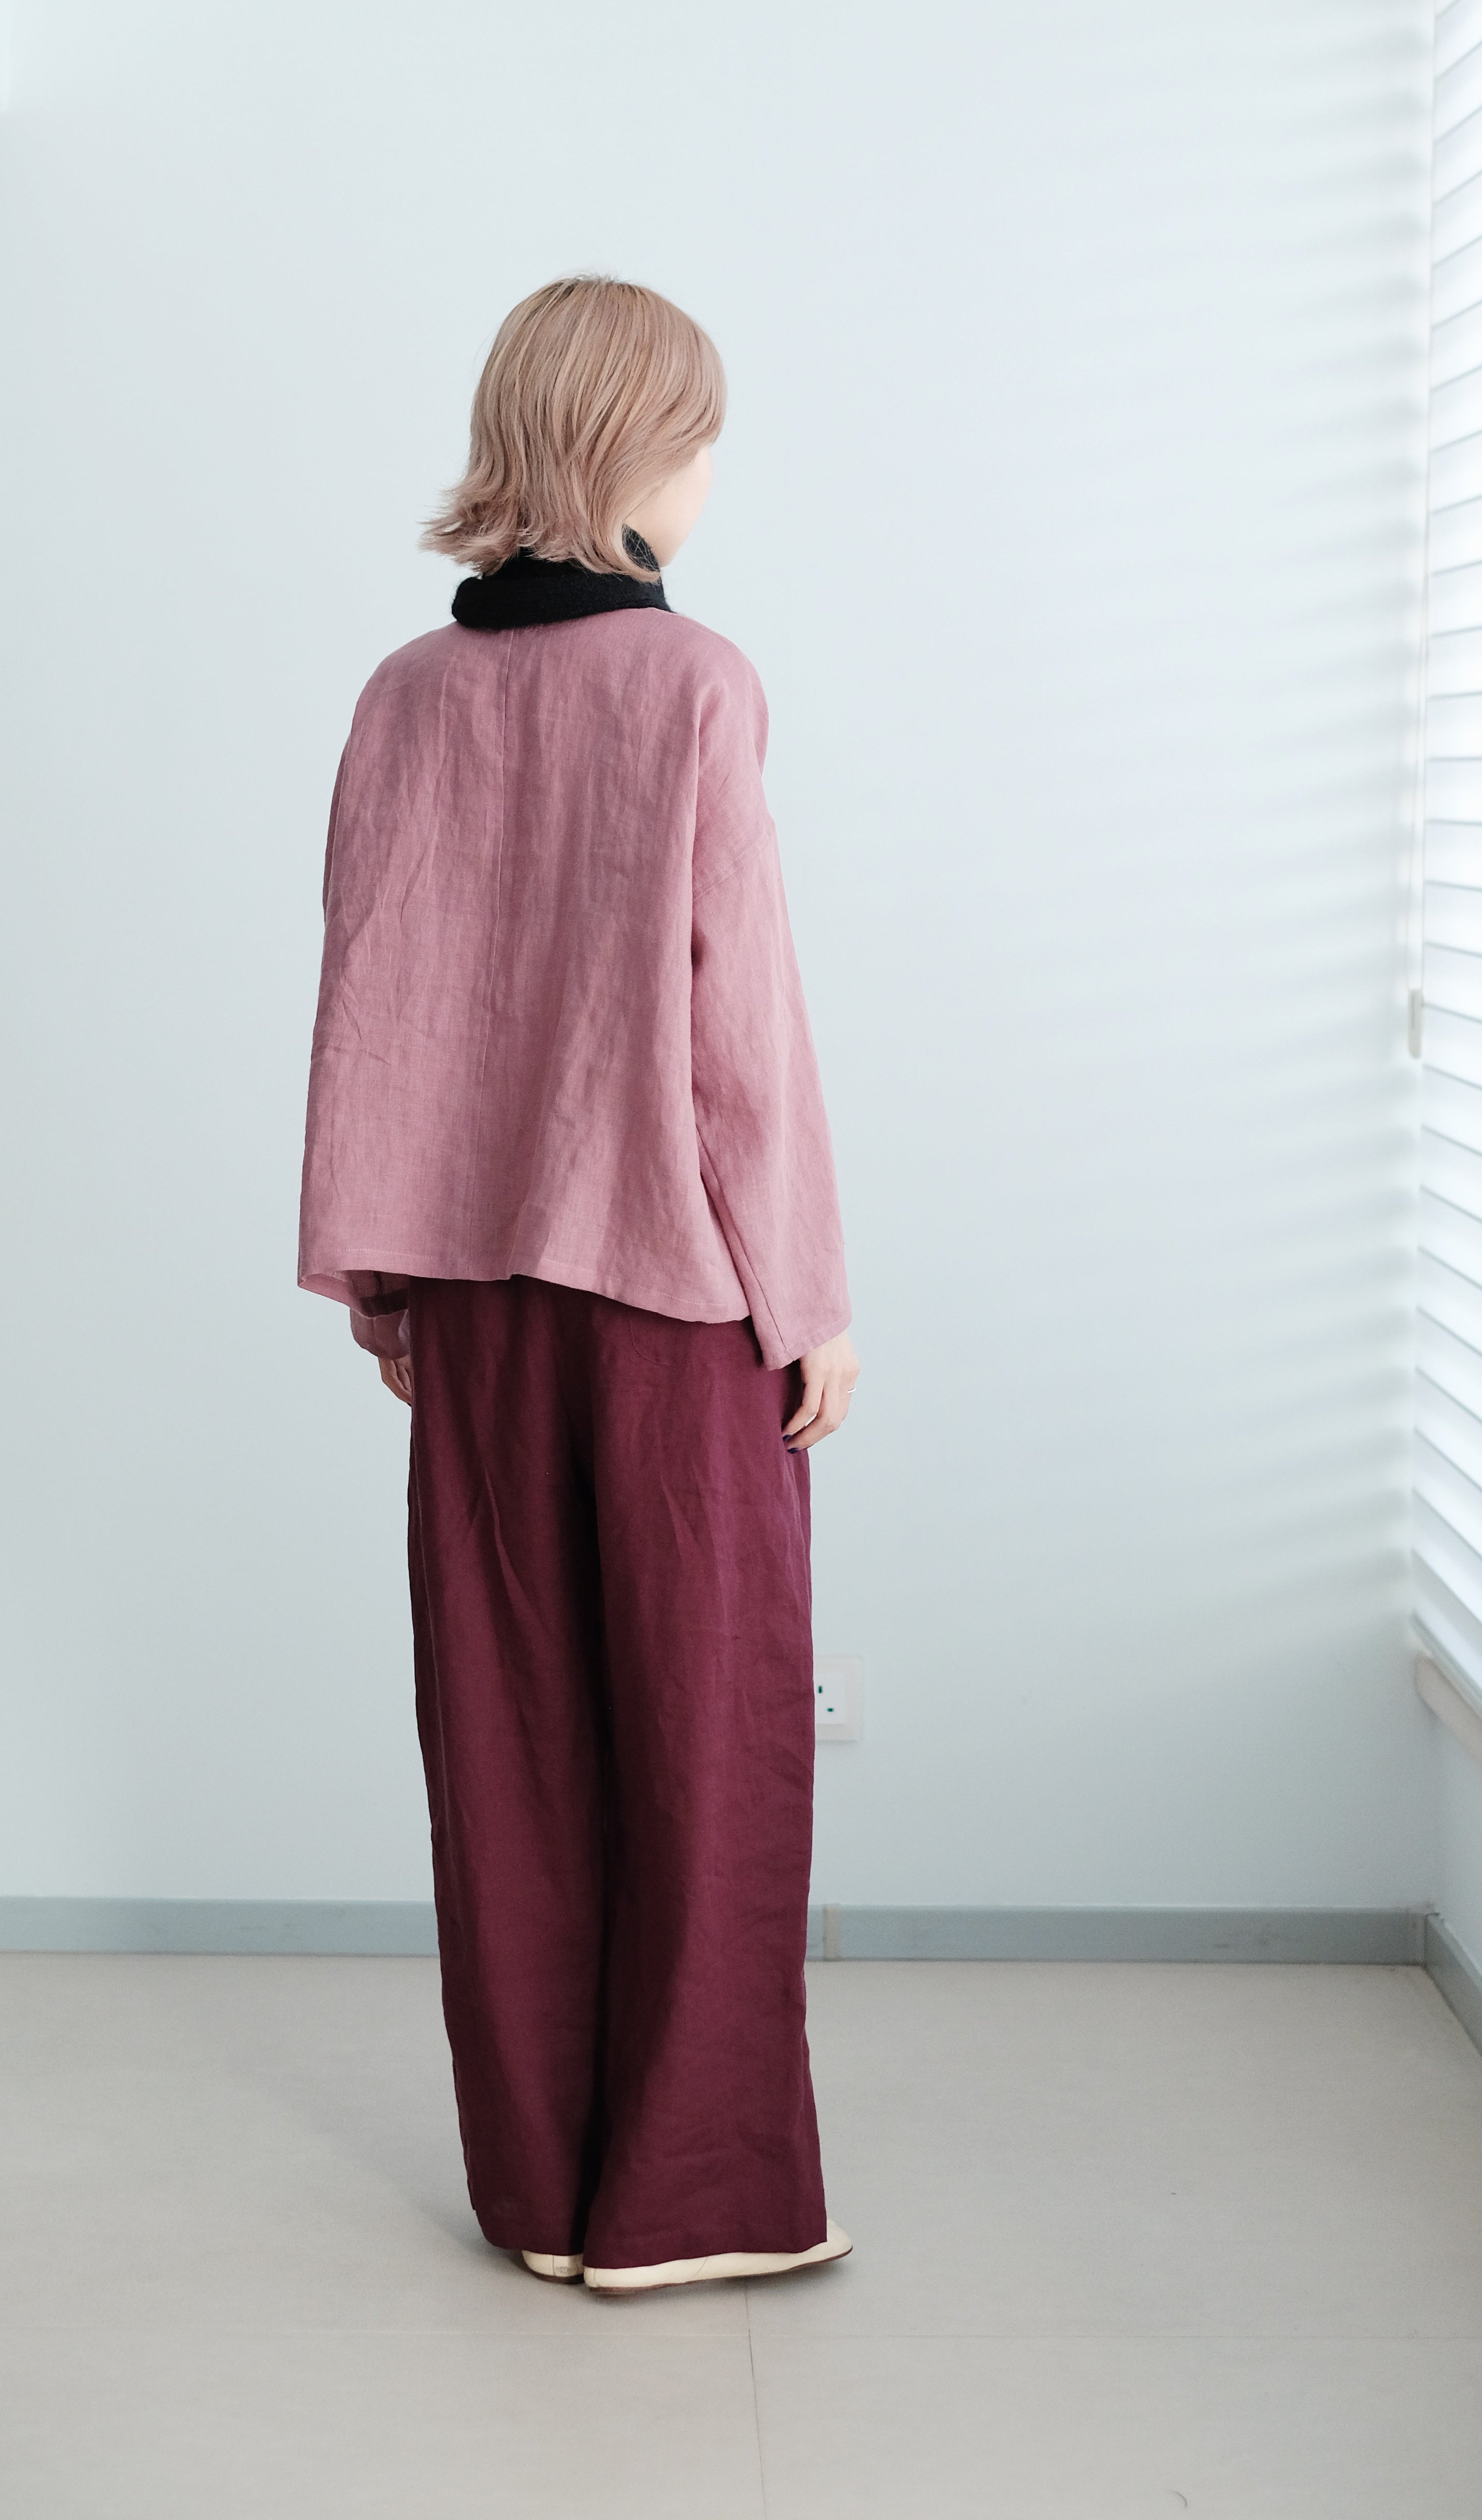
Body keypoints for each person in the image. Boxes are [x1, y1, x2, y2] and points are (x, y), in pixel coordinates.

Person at [299, 274, 859, 2296]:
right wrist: (807, 1295)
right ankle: (689, 2206)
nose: (713, 476)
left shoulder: (402, 695)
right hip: (672, 1297)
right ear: (640, 453)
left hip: (471, 1301)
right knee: (712, 1739)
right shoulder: (695, 684)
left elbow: (372, 995)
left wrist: (389, 1286)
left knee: (510, 1742)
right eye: (703, 439)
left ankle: (542, 2198)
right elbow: (740, 1029)